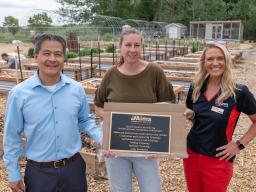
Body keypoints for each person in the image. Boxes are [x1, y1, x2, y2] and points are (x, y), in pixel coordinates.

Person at [3, 33, 102, 192]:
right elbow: (11, 135)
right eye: (46, 53)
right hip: (39, 173)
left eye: (58, 54)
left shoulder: (76, 90)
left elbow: (85, 120)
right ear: (36, 57)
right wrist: (13, 172)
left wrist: (103, 138)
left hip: (73, 169)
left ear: (64, 58)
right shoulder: (19, 94)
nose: (52, 59)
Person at [94, 27, 176, 192]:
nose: (132, 50)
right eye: (128, 45)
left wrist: (159, 143)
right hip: (116, 145)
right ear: (120, 47)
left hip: (146, 145)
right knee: (119, 189)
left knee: (152, 189)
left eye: (137, 45)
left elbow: (169, 106)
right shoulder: (111, 74)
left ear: (142, 47)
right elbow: (98, 106)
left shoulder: (154, 72)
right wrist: (115, 122)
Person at [183, 43, 256, 192]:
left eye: (220, 58)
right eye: (210, 59)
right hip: (191, 154)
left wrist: (239, 144)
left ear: (227, 61)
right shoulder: (195, 87)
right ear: (204, 62)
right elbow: (196, 114)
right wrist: (192, 115)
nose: (215, 63)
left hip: (218, 160)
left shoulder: (239, 92)